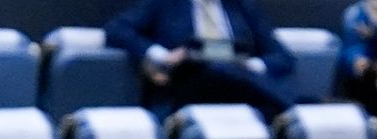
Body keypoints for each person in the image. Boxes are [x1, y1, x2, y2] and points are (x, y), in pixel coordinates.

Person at [104, 0, 289, 113]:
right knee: (214, 67)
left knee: (223, 68)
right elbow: (117, 30)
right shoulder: (166, 3)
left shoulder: (240, 5)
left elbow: (282, 56)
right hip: (185, 85)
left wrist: (250, 66)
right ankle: (293, 104)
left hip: (239, 88)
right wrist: (162, 55)